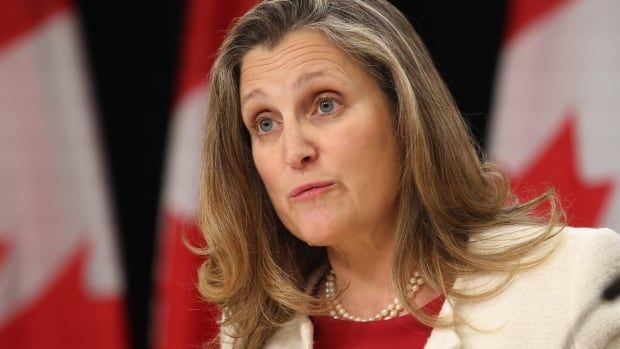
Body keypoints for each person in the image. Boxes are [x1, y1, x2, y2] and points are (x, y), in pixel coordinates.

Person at [195, 0, 620, 348]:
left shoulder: (570, 283)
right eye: (265, 123)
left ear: (406, 117)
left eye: (325, 104)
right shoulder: (254, 332)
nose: (295, 152)